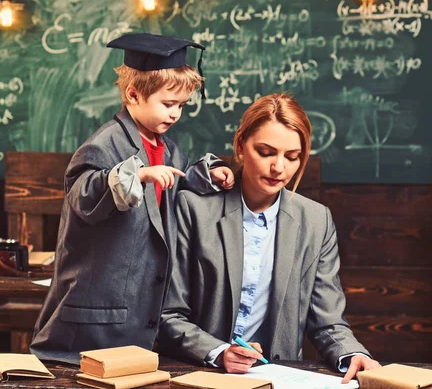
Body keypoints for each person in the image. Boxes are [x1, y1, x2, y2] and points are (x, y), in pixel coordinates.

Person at [30, 33, 235, 364]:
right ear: (133, 94)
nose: (175, 114)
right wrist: (134, 175)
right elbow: (83, 195)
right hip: (96, 319)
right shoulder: (104, 144)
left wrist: (207, 174)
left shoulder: (168, 148)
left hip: (140, 310)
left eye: (181, 105)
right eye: (168, 104)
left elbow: (175, 185)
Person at [158, 93, 380, 382]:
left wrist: (353, 353)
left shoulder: (316, 221)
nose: (279, 168)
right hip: (202, 375)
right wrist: (219, 351)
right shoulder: (194, 210)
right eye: (266, 152)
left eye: (292, 157)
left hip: (279, 380)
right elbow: (168, 315)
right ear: (240, 146)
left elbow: (327, 322)